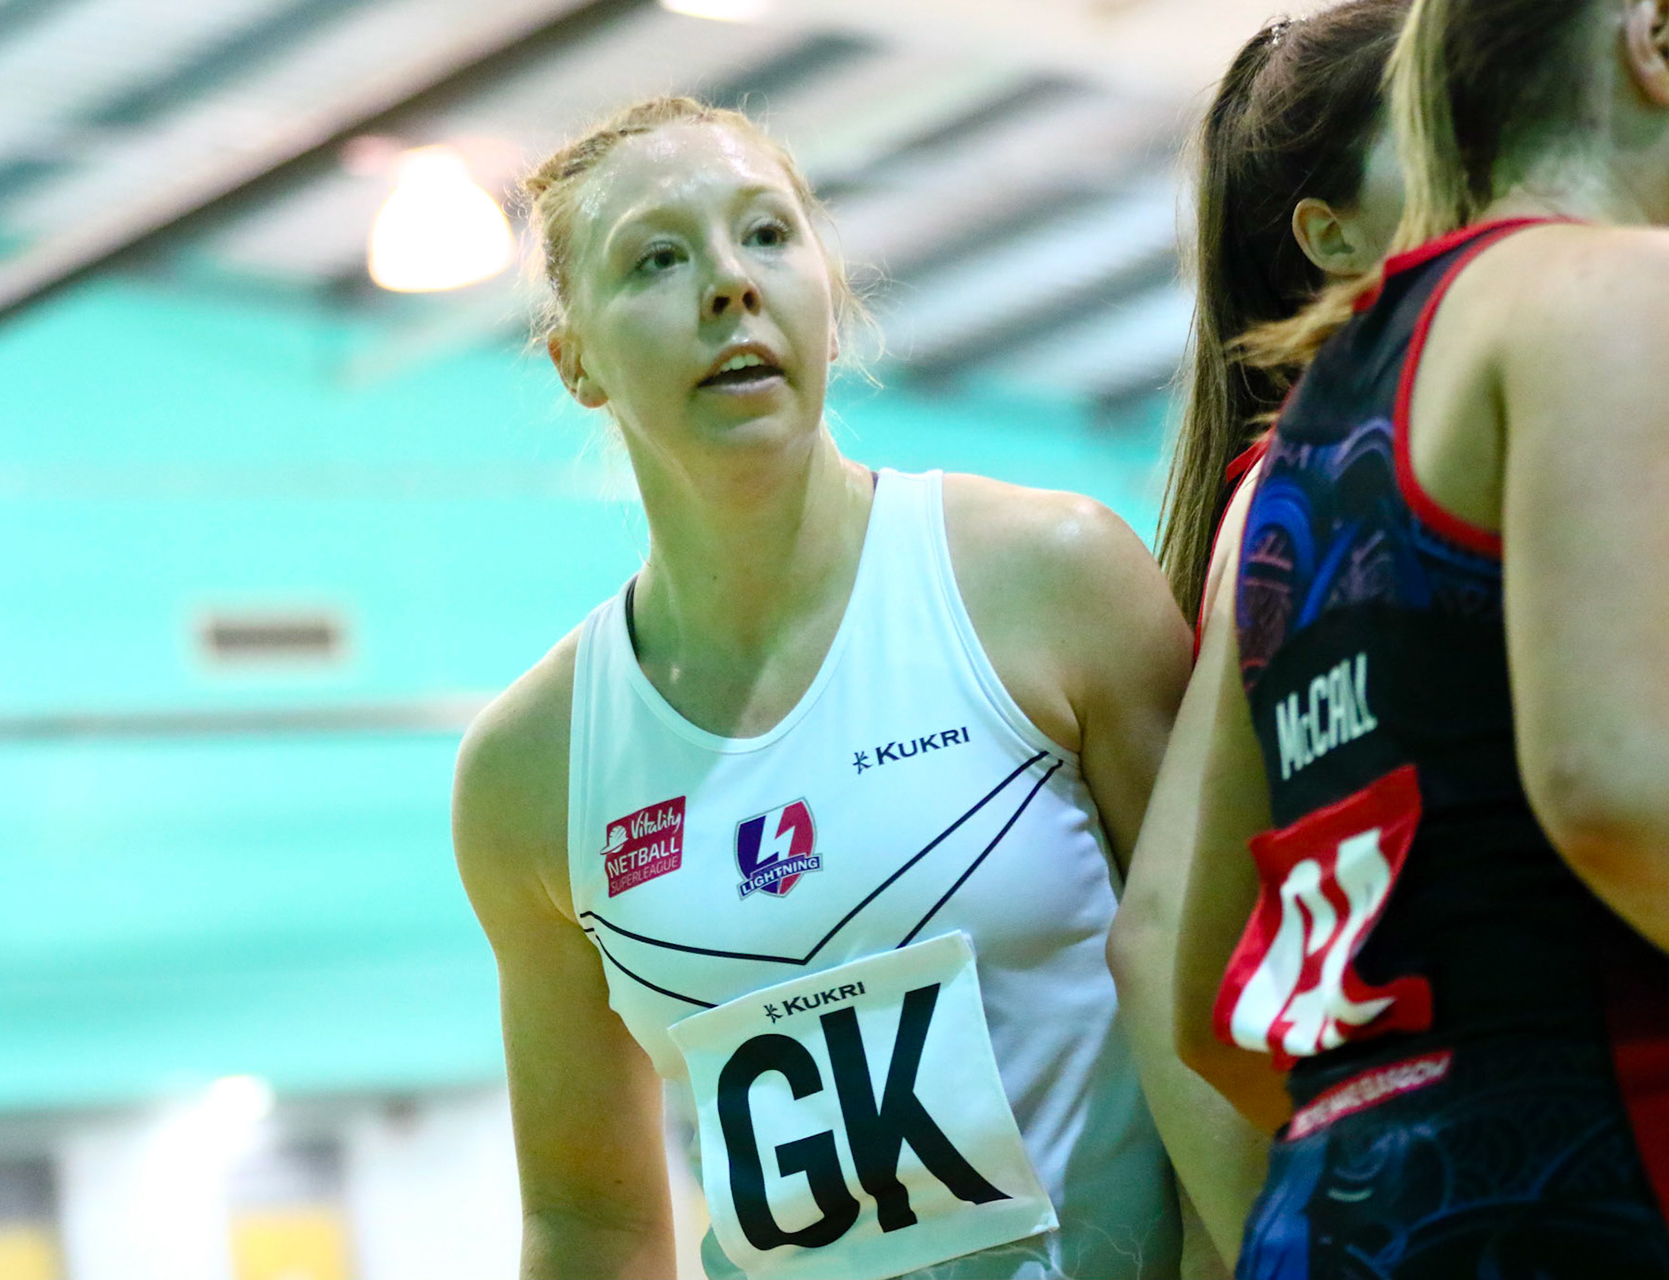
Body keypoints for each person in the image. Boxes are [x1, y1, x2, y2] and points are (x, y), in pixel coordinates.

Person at [453, 96, 1191, 1279]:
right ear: (574, 358)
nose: (729, 284)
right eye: (657, 257)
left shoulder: (1054, 578)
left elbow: (1229, 1007)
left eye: (767, 234)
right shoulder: (531, 770)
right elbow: (591, 1221)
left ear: (830, 302)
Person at [1172, 0, 1669, 1273]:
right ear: (1653, 37)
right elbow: (1615, 788)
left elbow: (1204, 990)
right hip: (1593, 1185)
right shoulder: (1608, 287)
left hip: (1340, 1212)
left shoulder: (1295, 442)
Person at [1106, 0, 1408, 1267]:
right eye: (1439, 128)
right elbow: (1158, 935)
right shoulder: (1312, 497)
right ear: (1331, 234)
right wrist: (1265, 1243)